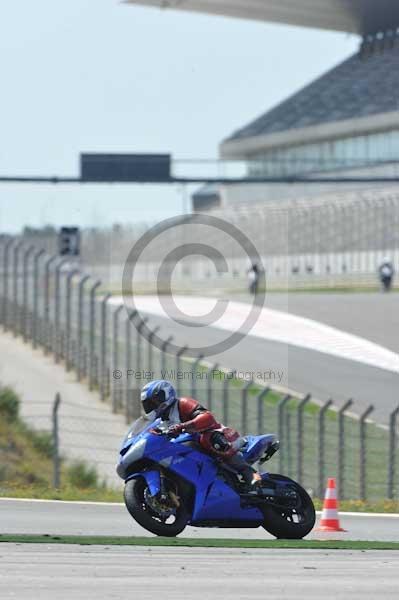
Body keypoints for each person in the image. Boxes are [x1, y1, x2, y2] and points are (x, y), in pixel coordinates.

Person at [140, 379, 262, 488]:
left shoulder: (182, 403)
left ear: (166, 394)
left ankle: (249, 473)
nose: (154, 405)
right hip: (191, 449)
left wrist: (183, 426)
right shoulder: (160, 421)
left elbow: (207, 417)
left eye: (156, 401)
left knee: (208, 438)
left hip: (221, 437)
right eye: (149, 404)